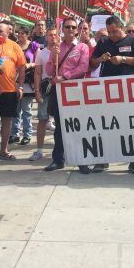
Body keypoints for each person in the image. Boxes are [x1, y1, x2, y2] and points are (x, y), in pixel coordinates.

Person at [89, 15, 134, 174]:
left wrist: (123, 59)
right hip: (108, 90)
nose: (112, 35)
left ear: (121, 27)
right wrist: (101, 58)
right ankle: (103, 160)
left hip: (130, 90)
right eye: (109, 32)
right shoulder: (103, 42)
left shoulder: (132, 41)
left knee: (132, 126)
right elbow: (91, 63)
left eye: (114, 31)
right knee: (107, 124)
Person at [44, 18, 91, 172]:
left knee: (77, 126)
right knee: (59, 127)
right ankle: (58, 159)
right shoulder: (56, 47)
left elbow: (83, 67)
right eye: (67, 27)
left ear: (77, 30)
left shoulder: (82, 47)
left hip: (74, 90)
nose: (70, 29)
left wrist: (65, 77)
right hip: (58, 91)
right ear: (62, 29)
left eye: (73, 27)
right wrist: (54, 57)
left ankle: (81, 160)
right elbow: (50, 71)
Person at [0, 21, 26, 161]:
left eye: (1, 31)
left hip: (10, 89)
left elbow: (22, 67)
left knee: (6, 121)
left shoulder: (14, 46)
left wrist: (20, 86)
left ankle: (4, 151)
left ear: (8, 32)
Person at [10, 26, 39, 146]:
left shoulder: (33, 45)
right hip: (15, 81)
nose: (20, 35)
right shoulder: (14, 45)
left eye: (23, 33)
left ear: (27, 35)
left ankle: (27, 134)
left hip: (27, 81)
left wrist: (29, 65)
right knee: (15, 110)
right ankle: (15, 134)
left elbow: (39, 62)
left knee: (26, 109)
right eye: (19, 33)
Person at [31, 28, 58, 161]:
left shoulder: (62, 50)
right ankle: (39, 150)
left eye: (55, 35)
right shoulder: (41, 54)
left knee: (60, 121)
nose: (53, 37)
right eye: (50, 35)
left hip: (60, 88)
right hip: (46, 90)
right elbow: (37, 73)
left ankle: (59, 150)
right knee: (42, 119)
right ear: (46, 37)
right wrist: (37, 91)